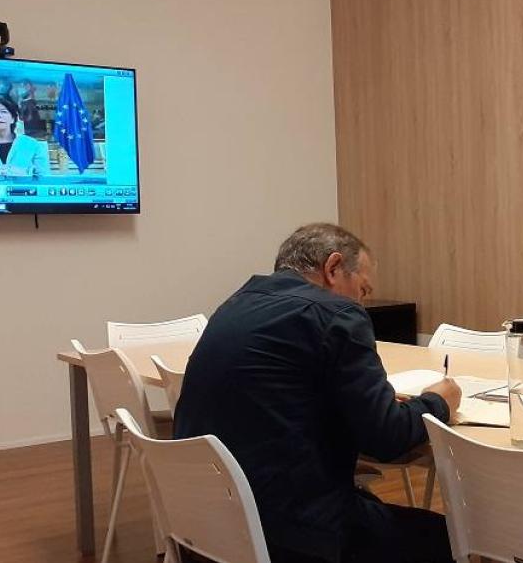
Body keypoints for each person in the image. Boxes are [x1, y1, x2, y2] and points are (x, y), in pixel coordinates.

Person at [173, 223, 462, 563]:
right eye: (363, 289)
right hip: (290, 536)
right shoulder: (337, 314)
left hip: (209, 529)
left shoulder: (235, 305)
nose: (362, 301)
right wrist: (439, 401)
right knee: (454, 538)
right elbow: (387, 438)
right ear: (333, 267)